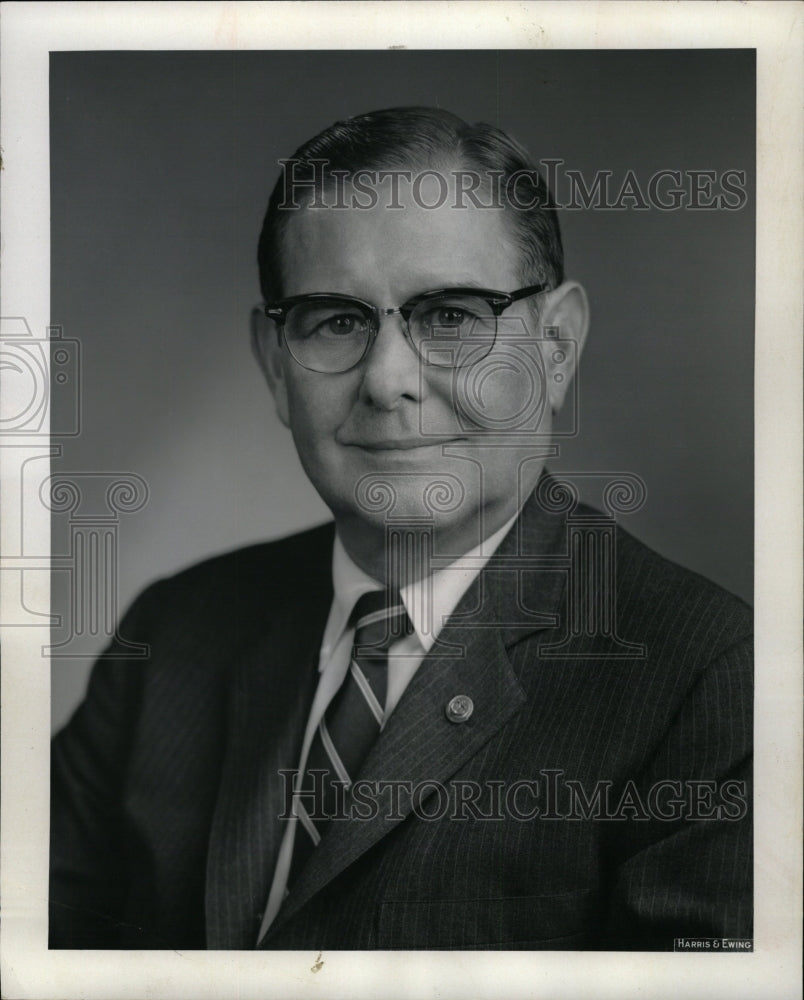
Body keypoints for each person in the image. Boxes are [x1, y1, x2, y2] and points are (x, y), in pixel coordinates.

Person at [49, 107, 752, 951]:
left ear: (556, 347)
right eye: (336, 321)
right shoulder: (174, 635)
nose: (387, 381)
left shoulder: (712, 681)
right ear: (275, 367)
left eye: (450, 316)